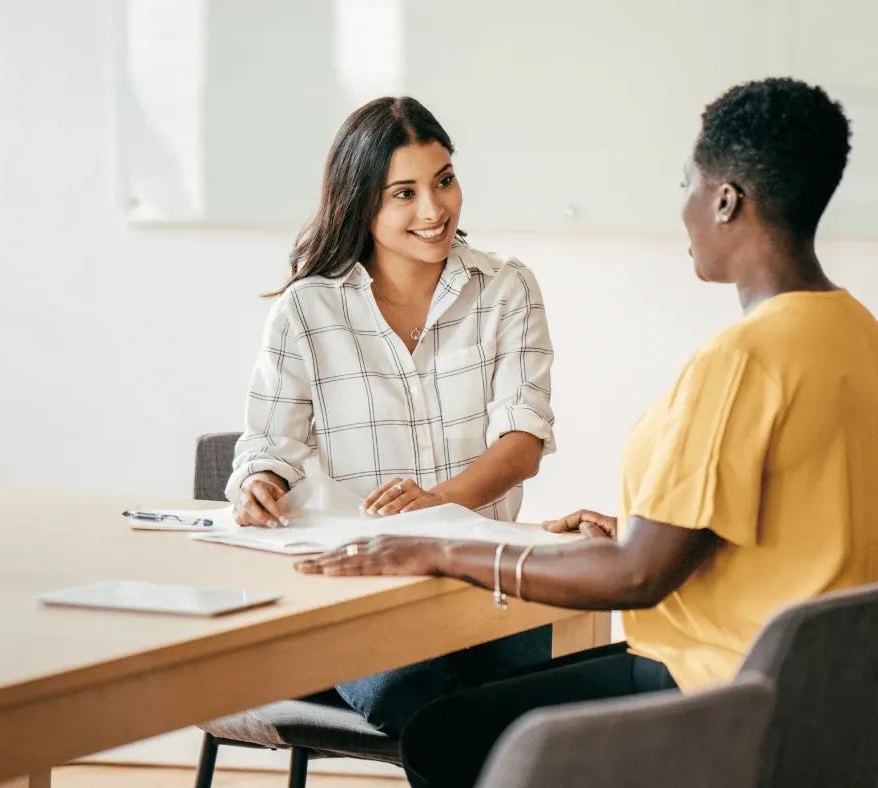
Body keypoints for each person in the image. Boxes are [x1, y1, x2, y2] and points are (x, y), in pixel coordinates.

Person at [296, 77, 878, 787]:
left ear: (726, 200)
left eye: (688, 185)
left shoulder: (743, 361)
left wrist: (441, 549)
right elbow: (801, 526)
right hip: (823, 700)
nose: (684, 207)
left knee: (444, 734)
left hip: (717, 691)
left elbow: (637, 577)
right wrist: (638, 530)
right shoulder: (858, 334)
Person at [225, 97, 557, 734]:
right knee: (436, 707)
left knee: (543, 697)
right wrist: (259, 483)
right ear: (360, 204)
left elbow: (523, 442)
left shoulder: (506, 289)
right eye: (404, 193)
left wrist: (435, 506)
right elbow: (267, 446)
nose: (434, 210)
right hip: (358, 599)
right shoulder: (306, 311)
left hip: (484, 589)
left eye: (444, 181)